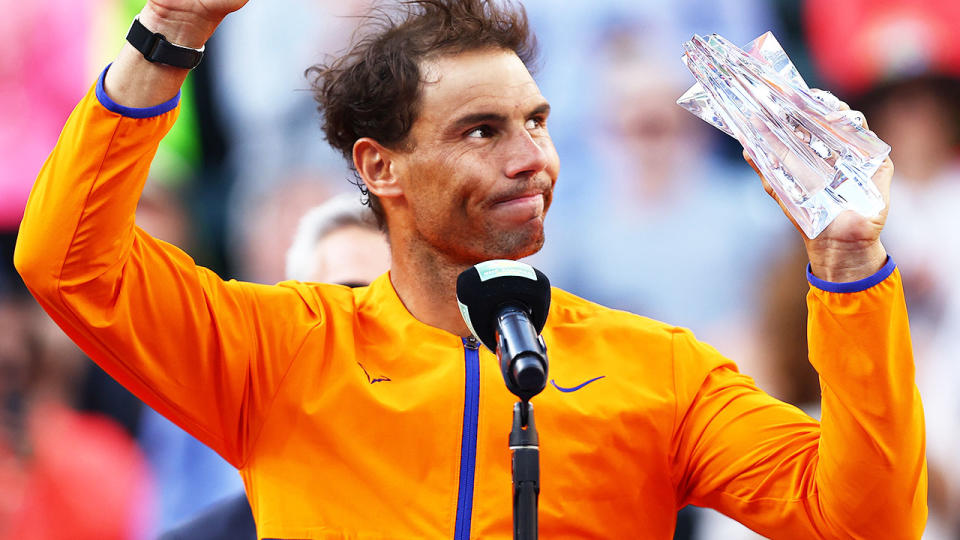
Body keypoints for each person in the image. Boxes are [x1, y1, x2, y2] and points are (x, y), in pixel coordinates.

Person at [14, 1, 925, 538]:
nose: (533, 158)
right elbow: (68, 261)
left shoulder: (664, 374)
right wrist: (170, 28)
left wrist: (849, 267)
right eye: (482, 132)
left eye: (536, 121)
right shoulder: (279, 351)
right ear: (379, 168)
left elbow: (864, 524)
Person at [159, 192, 390, 540]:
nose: (381, 325)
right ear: (289, 327)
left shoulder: (488, 514)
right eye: (348, 298)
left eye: (400, 304)